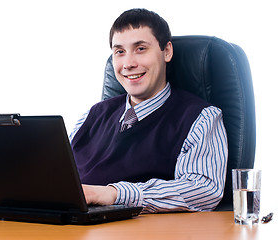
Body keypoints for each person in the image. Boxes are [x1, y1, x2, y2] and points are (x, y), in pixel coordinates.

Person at [69, 8, 228, 213]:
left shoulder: (201, 118)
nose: (128, 64)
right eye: (119, 52)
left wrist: (112, 194)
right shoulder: (91, 116)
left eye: (140, 49)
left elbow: (203, 189)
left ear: (167, 51)